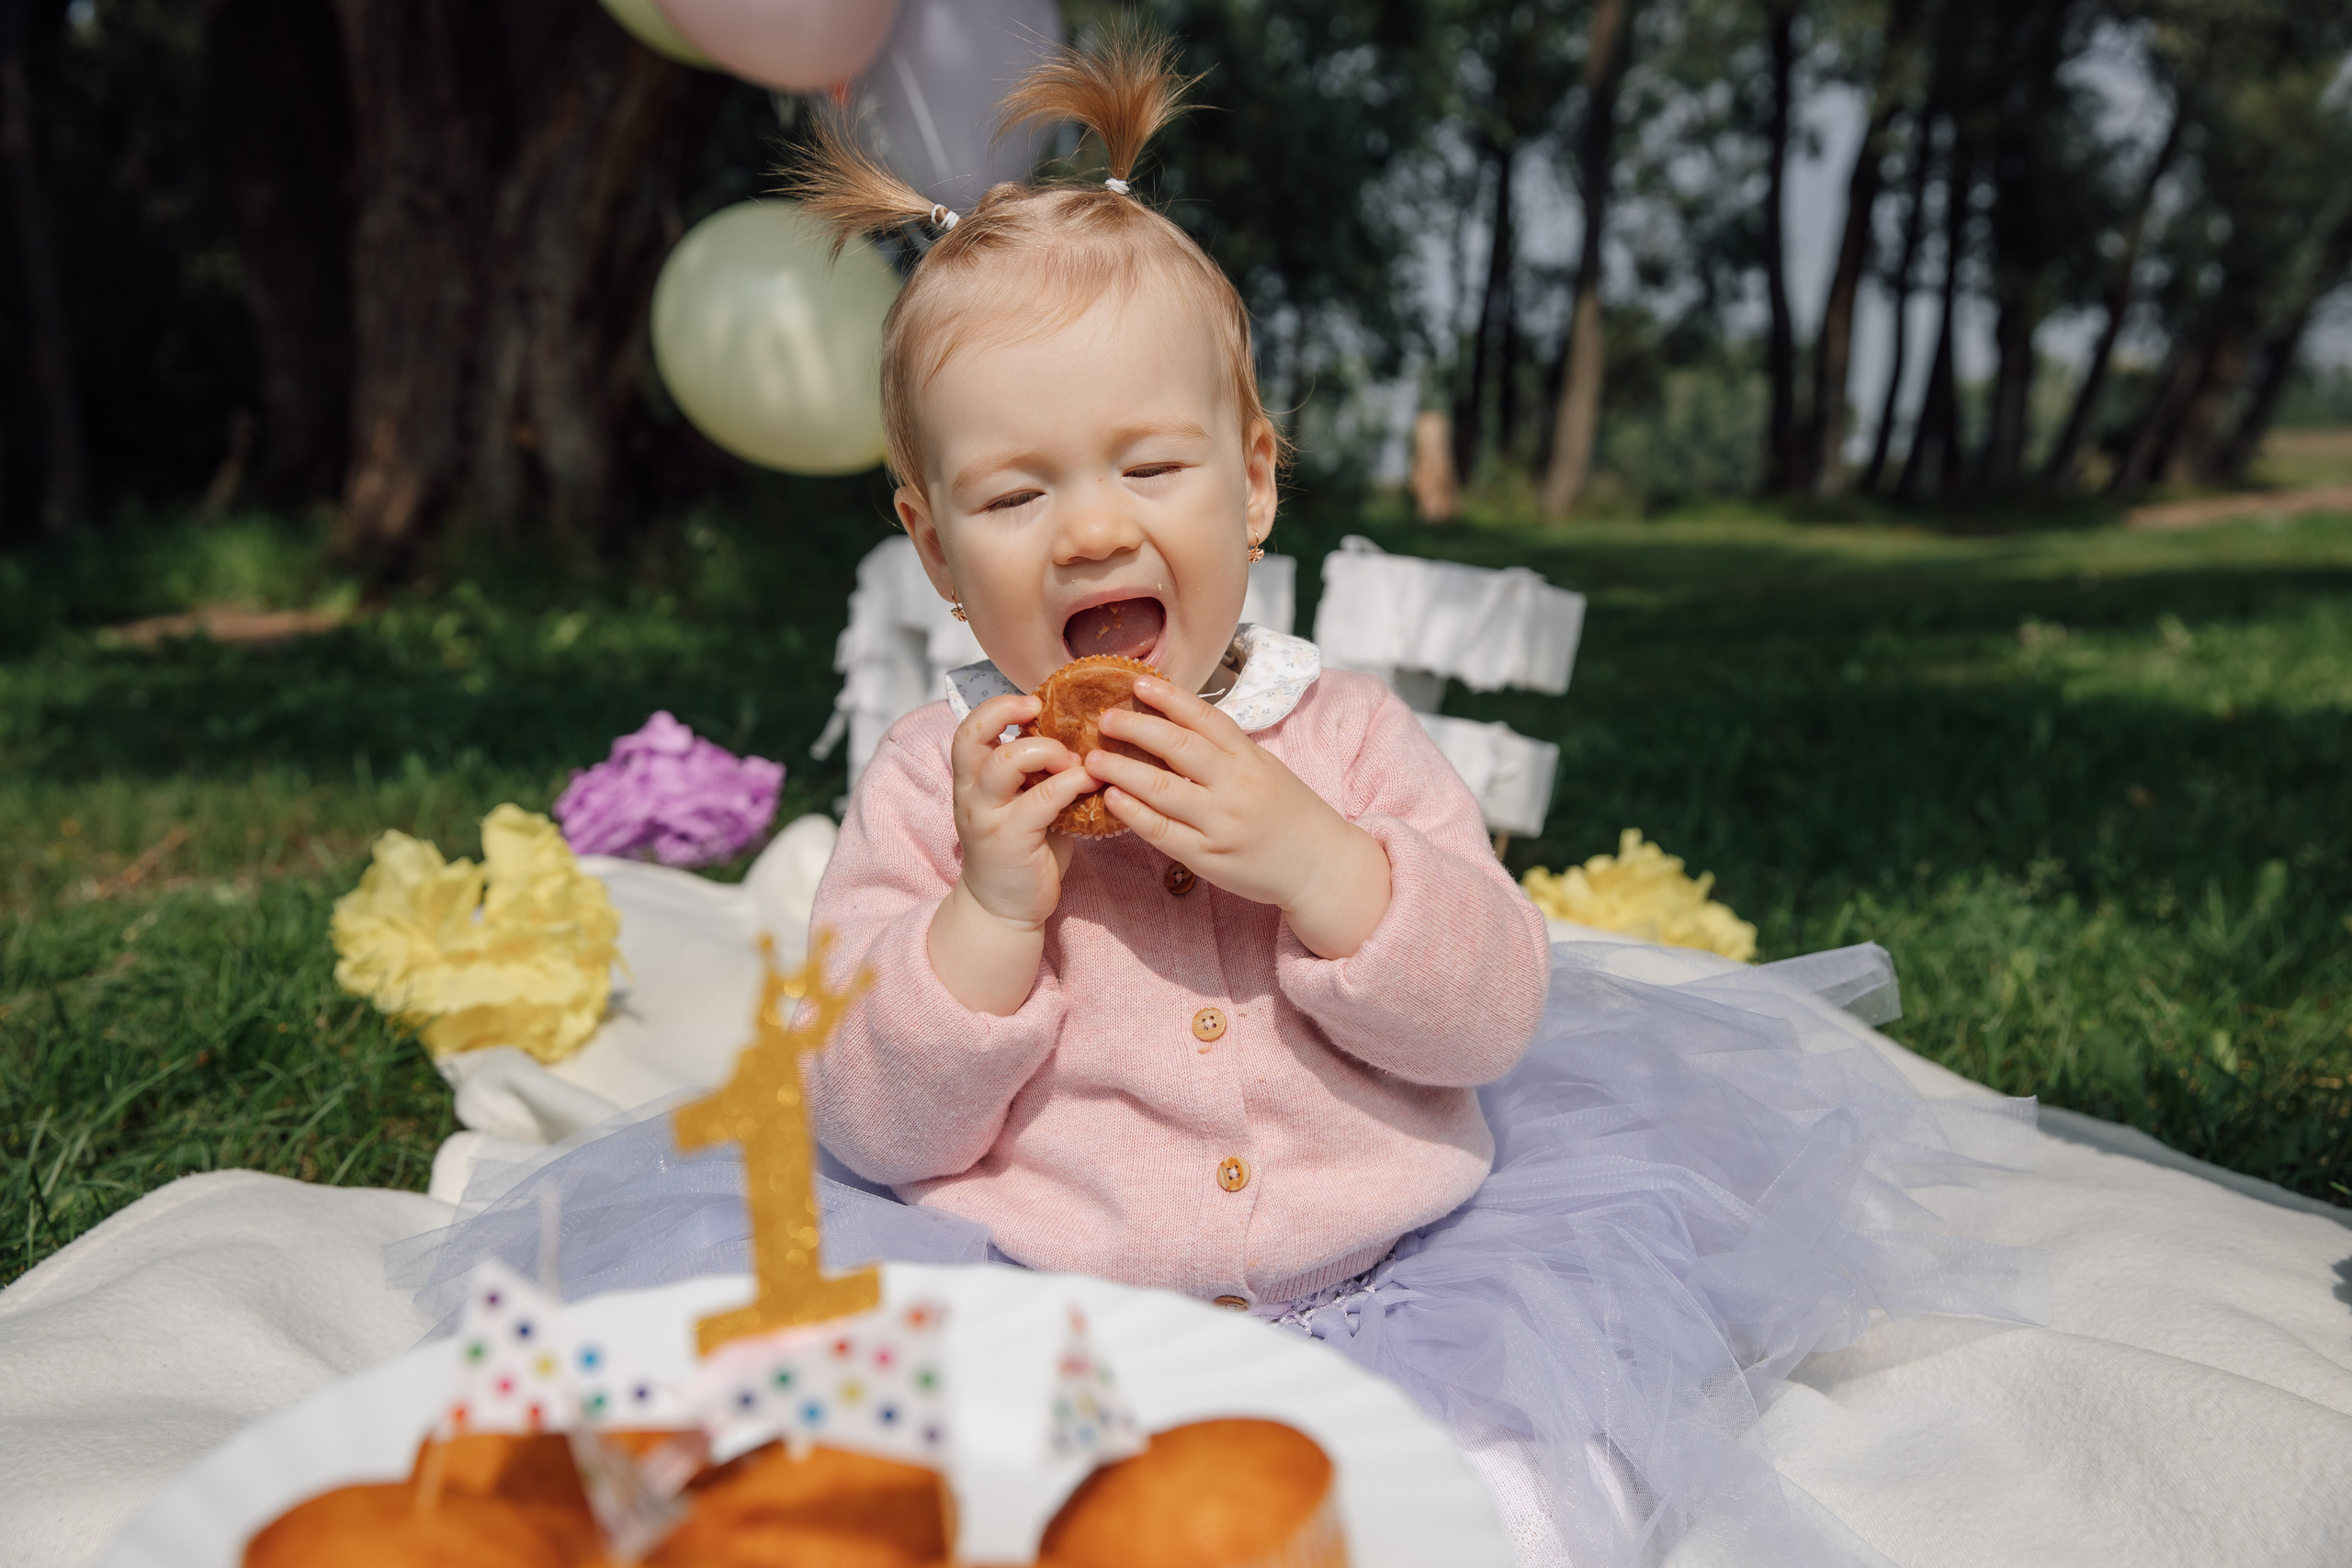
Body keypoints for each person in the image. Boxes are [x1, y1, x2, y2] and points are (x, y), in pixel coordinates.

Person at [401, 28, 2045, 1568]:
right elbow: (873, 1120)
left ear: (1253, 479)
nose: (1091, 529)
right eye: (1015, 494)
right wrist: (989, 915)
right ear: (934, 548)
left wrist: (1322, 868)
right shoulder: (937, 783)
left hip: (1397, 1273)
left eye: (1151, 467)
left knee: (1518, 1474)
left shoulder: (1343, 736)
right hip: (1050, 1298)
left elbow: (1491, 1012)